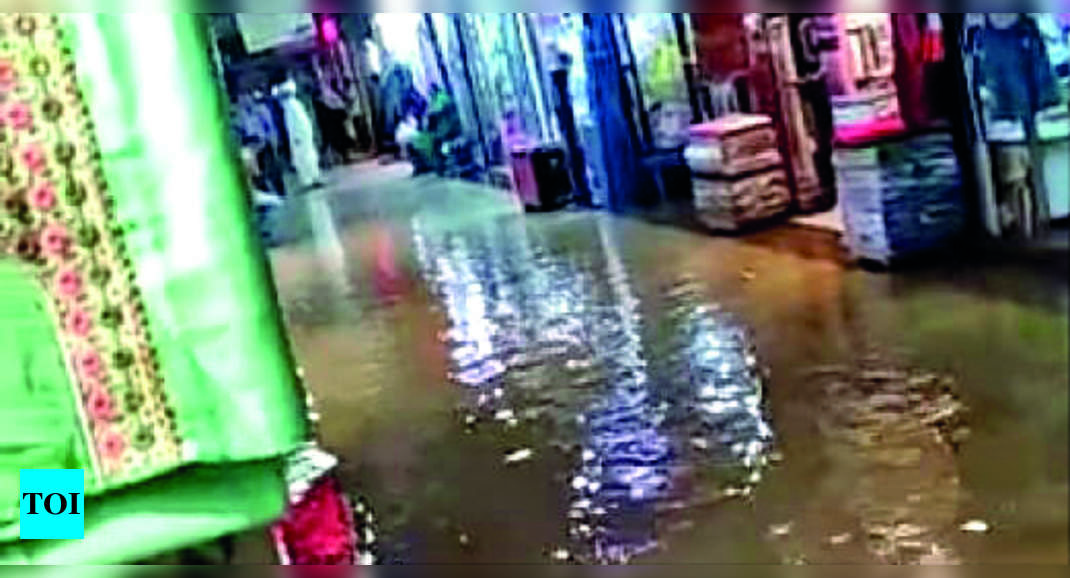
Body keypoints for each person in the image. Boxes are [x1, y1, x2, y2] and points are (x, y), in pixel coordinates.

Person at [275, 78, 325, 190]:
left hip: (302, 137)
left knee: (307, 156)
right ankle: (309, 179)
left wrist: (302, 135)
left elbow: (300, 122)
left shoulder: (292, 105)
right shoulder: (290, 106)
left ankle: (313, 177)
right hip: (300, 137)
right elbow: (293, 124)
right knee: (303, 158)